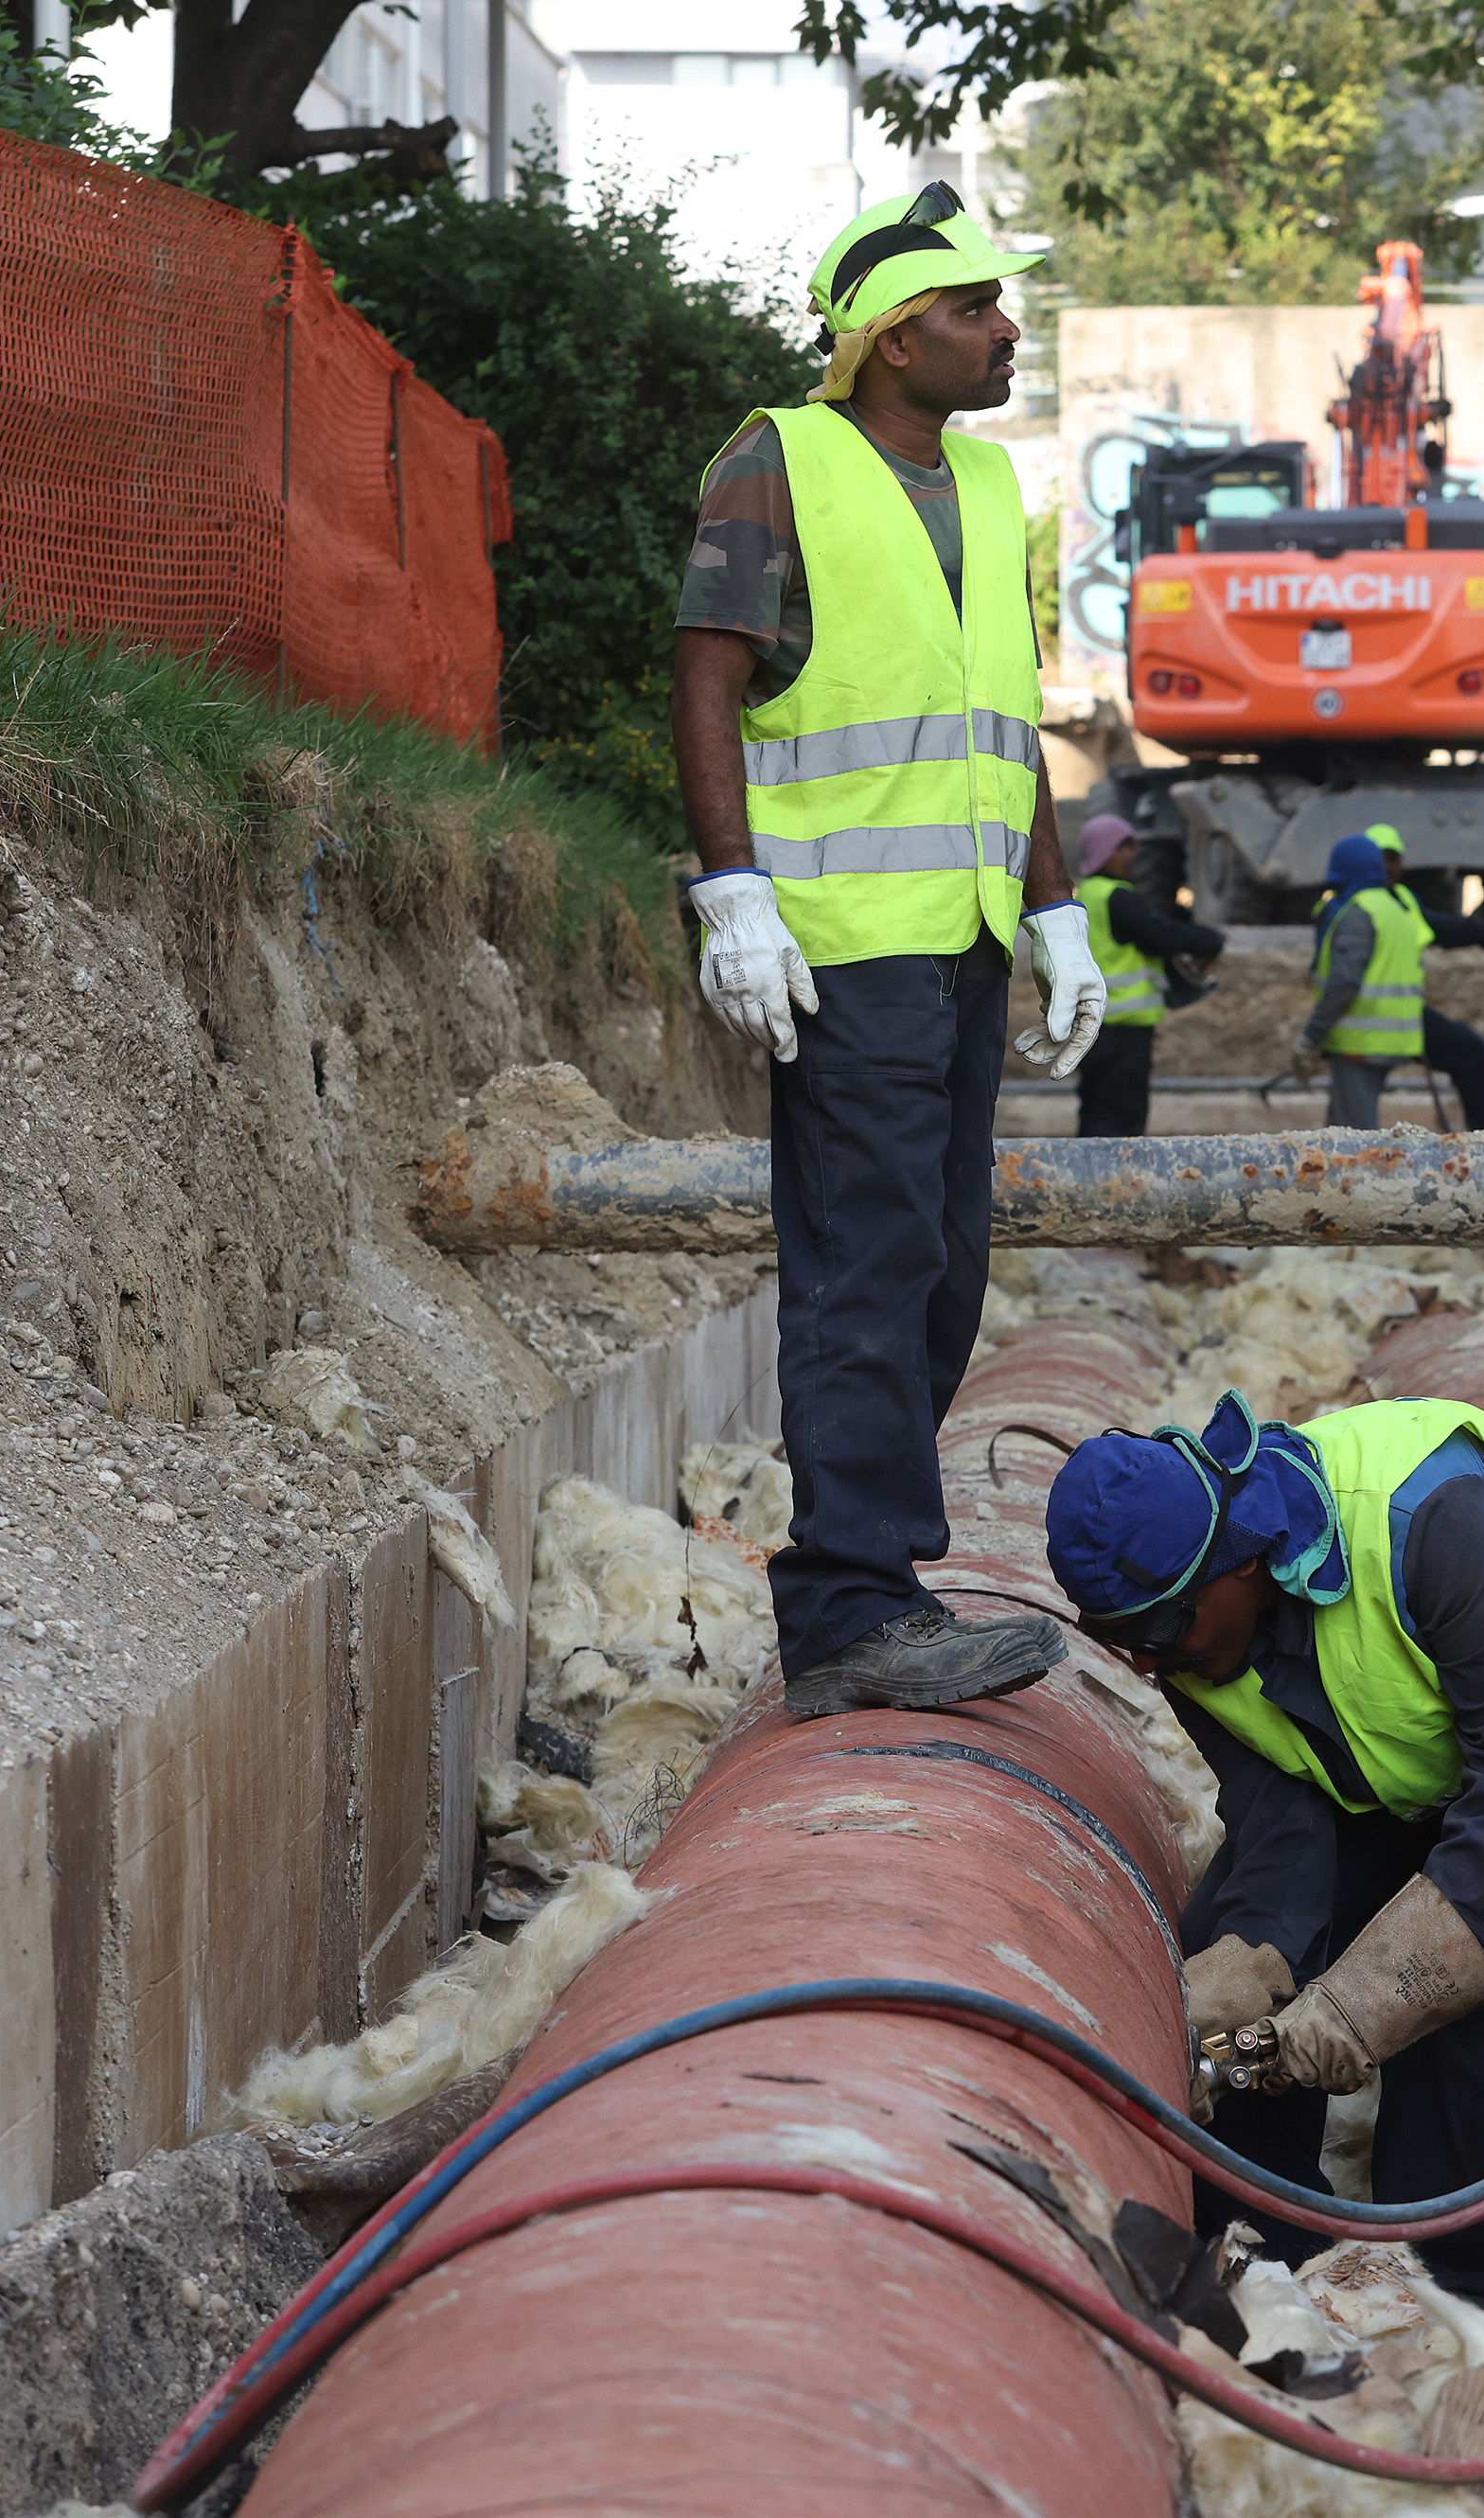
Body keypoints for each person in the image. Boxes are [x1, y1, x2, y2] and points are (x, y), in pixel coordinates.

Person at [671, 186, 1108, 1718]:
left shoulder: (985, 483)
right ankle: (853, 1608)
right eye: (976, 309)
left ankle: (873, 1585)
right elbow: (707, 676)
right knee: (866, 1267)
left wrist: (1056, 908)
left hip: (966, 938)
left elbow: (1006, 720)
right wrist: (735, 892)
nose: (1006, 330)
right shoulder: (777, 460)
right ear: (896, 338)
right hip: (843, 948)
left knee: (939, 1273)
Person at [1045, 1393, 1484, 2303]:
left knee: (1471, 1977)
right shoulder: (1177, 1631)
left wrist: (1371, 2001)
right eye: (1113, 1638)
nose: (1140, 1661)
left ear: (1239, 1560)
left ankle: (1447, 2295)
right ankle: (1280, 2267)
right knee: (1226, 1973)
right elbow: (1277, 1819)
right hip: (1432, 1749)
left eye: (1157, 1633)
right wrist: (1255, 1963)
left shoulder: (1432, 1522)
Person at [1071, 811, 1227, 1139]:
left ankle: (1089, 1170)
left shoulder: (1087, 893)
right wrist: (1210, 939)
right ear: (1103, 851)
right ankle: (1116, 1172)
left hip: (1093, 1026)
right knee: (1123, 1118)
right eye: (1123, 846)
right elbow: (1161, 933)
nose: (1133, 854)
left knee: (1097, 1110)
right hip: (1122, 1028)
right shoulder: (1117, 897)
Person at [1365, 824, 1484, 1132]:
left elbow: (1445, 929)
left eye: (1393, 859)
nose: (1388, 867)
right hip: (1365, 1022)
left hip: (1403, 1015)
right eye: (1380, 859)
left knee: (1470, 1052)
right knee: (1357, 1104)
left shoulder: (1404, 901)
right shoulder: (1357, 907)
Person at [1301, 834, 1422, 1126]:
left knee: (1355, 1134)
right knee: (1348, 1125)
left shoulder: (1359, 913)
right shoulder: (1395, 909)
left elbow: (1344, 983)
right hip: (1394, 1037)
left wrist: (1312, 1035)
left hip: (1361, 1039)